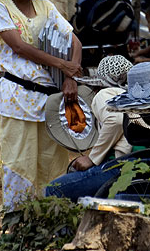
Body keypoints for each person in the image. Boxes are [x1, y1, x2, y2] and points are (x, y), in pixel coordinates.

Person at [0, 0, 83, 211]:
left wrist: (70, 77)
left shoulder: (45, 5)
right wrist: (63, 65)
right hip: (16, 99)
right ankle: (17, 230)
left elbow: (74, 41)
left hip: (51, 101)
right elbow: (19, 47)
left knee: (54, 164)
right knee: (19, 166)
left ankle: (50, 229)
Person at [45, 55, 134, 200]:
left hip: (119, 165)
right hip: (140, 160)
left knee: (53, 189)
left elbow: (116, 121)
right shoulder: (137, 95)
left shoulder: (105, 94)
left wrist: (92, 158)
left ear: (99, 84)